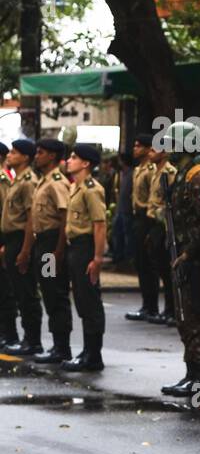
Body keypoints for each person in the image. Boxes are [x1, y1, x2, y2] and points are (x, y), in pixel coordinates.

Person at [158, 122, 200, 400]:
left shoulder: (197, 178)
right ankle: (192, 373)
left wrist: (189, 252)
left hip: (196, 259)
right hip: (184, 256)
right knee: (186, 319)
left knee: (196, 318)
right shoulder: (182, 176)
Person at [60, 143, 107, 371]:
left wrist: (97, 258)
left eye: (74, 157)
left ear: (86, 163)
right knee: (81, 299)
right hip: (75, 248)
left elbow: (99, 225)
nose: (69, 160)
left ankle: (93, 355)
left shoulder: (91, 189)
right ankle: (88, 351)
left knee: (90, 301)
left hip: (86, 248)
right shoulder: (75, 187)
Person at [27, 138, 73, 364]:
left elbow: (65, 216)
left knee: (55, 293)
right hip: (43, 242)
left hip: (52, 242)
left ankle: (61, 347)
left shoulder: (56, 182)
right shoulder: (44, 181)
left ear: (52, 156)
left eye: (41, 152)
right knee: (48, 290)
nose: (37, 155)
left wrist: (58, 250)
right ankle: (57, 345)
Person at [1, 139, 42, 354]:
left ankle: (32, 340)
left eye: (15, 152)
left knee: (27, 292)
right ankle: (25, 338)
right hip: (11, 240)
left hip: (22, 240)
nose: (10, 155)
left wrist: (25, 251)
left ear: (26, 157)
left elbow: (30, 219)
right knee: (17, 290)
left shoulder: (28, 182)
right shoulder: (18, 180)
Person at [125, 134, 161, 322]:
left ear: (148, 149)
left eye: (139, 146)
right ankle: (146, 304)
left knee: (148, 264)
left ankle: (152, 306)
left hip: (147, 219)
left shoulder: (150, 170)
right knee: (140, 263)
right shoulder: (139, 169)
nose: (135, 149)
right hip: (137, 218)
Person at [145, 142, 178, 325]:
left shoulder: (169, 173)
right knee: (159, 268)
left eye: (154, 149)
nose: (151, 153)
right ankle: (167, 309)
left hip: (164, 224)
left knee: (167, 270)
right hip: (153, 223)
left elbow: (170, 201)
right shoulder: (156, 172)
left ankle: (172, 309)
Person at [0, 140, 15, 347]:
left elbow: (5, 212)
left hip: (6, 238)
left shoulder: (3, 180)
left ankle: (9, 332)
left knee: (5, 287)